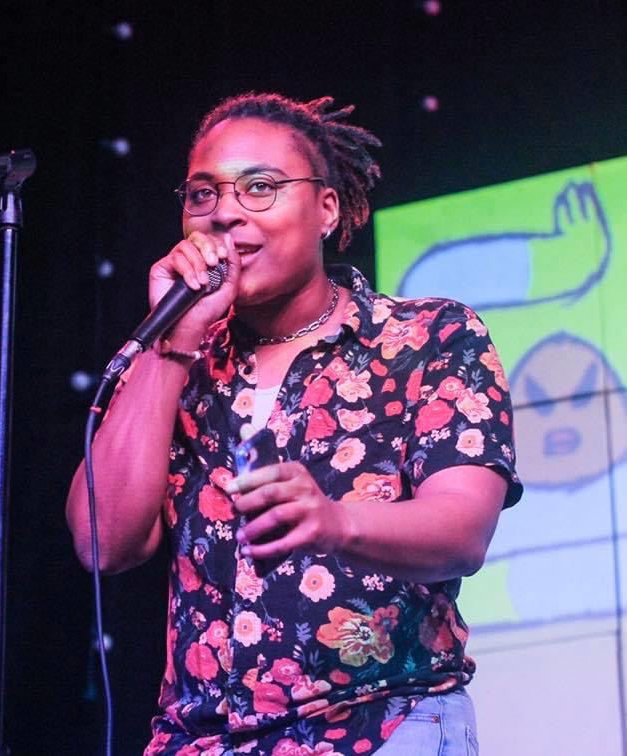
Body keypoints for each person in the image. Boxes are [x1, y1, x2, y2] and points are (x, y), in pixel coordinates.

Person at [66, 92, 523, 755]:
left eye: (260, 188)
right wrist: (170, 350)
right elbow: (104, 543)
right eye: (203, 195)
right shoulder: (173, 360)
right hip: (203, 742)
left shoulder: (426, 335)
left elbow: (463, 531)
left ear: (327, 209)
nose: (225, 211)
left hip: (382, 725)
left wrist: (336, 524)